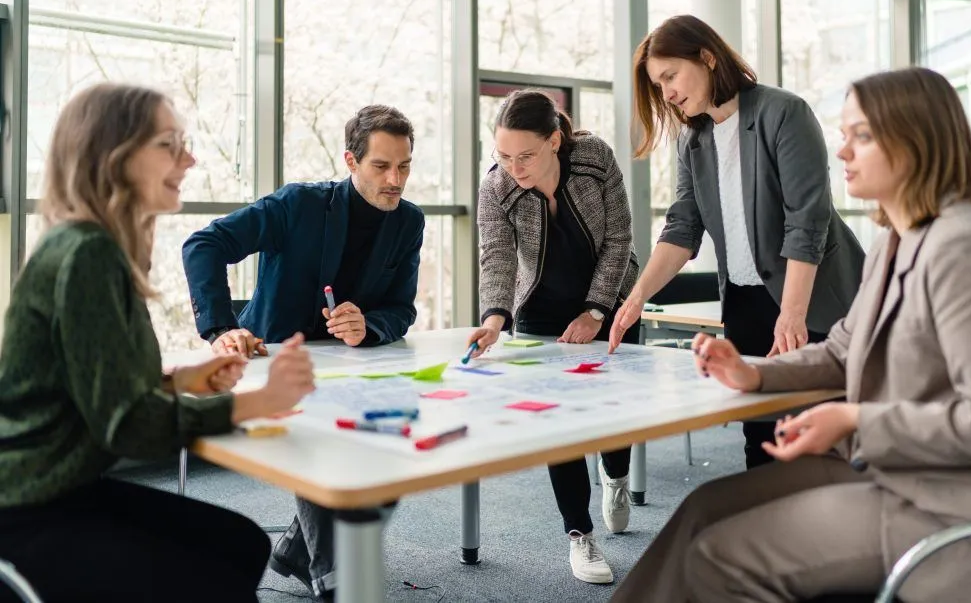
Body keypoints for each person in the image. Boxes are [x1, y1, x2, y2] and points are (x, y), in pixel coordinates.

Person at [609, 67, 971, 603]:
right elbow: (841, 350)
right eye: (845, 134)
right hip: (891, 475)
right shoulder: (893, 242)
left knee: (718, 556)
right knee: (702, 508)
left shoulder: (967, 248)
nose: (843, 152)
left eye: (864, 135)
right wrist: (753, 371)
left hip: (949, 504)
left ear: (918, 140)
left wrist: (854, 418)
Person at [0, 83, 315, 602]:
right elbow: (129, 428)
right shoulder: (86, 255)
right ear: (114, 157)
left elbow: (99, 389)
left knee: (239, 544)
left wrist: (184, 380)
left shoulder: (97, 247)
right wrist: (256, 403)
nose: (189, 158)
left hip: (62, 489)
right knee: (219, 573)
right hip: (29, 507)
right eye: (169, 144)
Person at [182, 104, 423, 601]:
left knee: (396, 431)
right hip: (272, 360)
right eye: (381, 166)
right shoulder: (299, 206)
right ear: (351, 162)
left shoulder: (408, 222)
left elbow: (401, 308)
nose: (395, 179)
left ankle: (295, 548)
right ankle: (333, 578)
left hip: (351, 365)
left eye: (404, 166)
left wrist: (369, 325)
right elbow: (203, 245)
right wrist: (221, 329)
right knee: (319, 430)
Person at [609, 14, 865, 468]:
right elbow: (682, 228)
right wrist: (637, 297)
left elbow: (807, 222)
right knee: (761, 440)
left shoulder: (783, 112)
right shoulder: (692, 141)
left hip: (811, 299)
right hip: (746, 303)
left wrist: (792, 312)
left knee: (819, 439)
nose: (666, 93)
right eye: (657, 84)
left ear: (706, 57)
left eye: (670, 75)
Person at [466, 89, 639, 585]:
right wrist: (495, 319)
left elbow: (620, 239)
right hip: (542, 307)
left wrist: (596, 310)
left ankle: (618, 476)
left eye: (526, 156)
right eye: (503, 155)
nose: (514, 167)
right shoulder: (497, 187)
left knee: (616, 411)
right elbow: (496, 256)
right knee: (562, 424)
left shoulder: (593, 158)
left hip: (611, 299)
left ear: (555, 141)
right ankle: (579, 534)